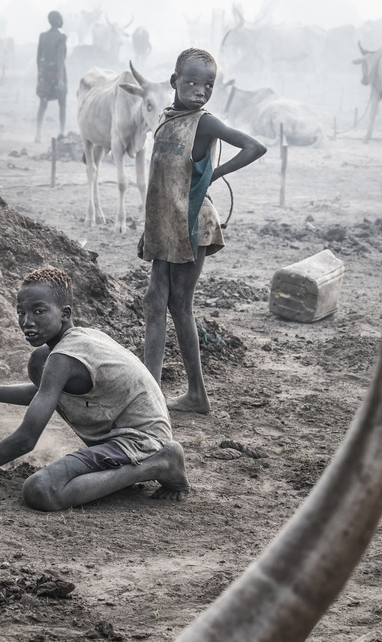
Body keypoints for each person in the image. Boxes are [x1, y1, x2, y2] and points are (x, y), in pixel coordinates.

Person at [0, 267, 190, 511]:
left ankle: (159, 463)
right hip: (123, 432)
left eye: (39, 311)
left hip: (140, 439)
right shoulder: (69, 345)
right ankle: (145, 460)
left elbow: (26, 439)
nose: (27, 322)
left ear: (64, 313)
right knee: (38, 362)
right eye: (21, 312)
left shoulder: (65, 357)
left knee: (41, 490)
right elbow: (42, 395)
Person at [139, 48, 267, 414]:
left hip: (193, 224)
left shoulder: (205, 123)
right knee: (153, 302)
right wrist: (149, 230)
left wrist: (215, 173)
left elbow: (254, 147)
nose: (199, 90)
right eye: (191, 82)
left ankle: (195, 395)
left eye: (207, 84)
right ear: (174, 82)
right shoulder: (166, 118)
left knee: (179, 305)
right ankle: (150, 391)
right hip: (165, 223)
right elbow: (160, 181)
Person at [35, 11, 67, 144]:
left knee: (43, 103)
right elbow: (60, 58)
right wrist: (60, 78)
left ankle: (38, 134)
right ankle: (61, 131)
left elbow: (38, 57)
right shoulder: (62, 37)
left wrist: (40, 73)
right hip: (57, 72)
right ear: (57, 21)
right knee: (62, 102)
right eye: (60, 18)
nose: (62, 20)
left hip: (44, 72)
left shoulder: (42, 36)